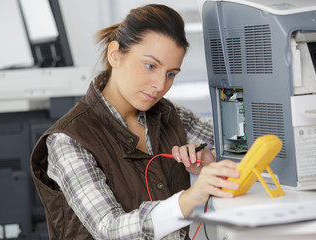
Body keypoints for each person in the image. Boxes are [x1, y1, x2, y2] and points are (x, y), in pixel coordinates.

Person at [31, 4, 240, 240]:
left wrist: (214, 159)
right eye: (150, 66)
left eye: (171, 74)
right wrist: (191, 197)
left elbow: (237, 148)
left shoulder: (170, 115)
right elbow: (110, 229)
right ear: (115, 55)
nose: (160, 85)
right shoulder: (69, 140)